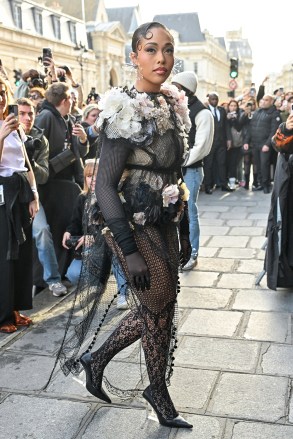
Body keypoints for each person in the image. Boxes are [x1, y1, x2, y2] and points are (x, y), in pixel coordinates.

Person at [56, 21, 193, 429]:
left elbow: (174, 176)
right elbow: (104, 189)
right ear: (133, 56)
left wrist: (182, 229)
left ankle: (98, 363)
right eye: (151, 49)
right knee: (159, 300)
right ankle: (156, 392)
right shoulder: (123, 110)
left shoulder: (171, 104)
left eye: (168, 50)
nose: (162, 59)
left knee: (162, 306)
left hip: (164, 218)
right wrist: (128, 251)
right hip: (128, 223)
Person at [62, 159, 129, 310]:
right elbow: (75, 221)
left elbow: (113, 226)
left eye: (97, 175)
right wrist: (69, 232)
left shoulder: (113, 196)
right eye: (89, 176)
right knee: (73, 274)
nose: (92, 180)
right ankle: (99, 281)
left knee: (118, 256)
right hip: (93, 250)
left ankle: (124, 293)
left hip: (112, 244)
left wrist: (95, 237)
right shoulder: (82, 198)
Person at [17, 97, 67, 297]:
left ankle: (53, 280)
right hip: (8, 195)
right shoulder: (7, 134)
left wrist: (29, 160)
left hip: (31, 195)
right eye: (22, 113)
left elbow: (44, 176)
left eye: (31, 113)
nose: (27, 118)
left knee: (42, 231)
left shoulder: (40, 138)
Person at [0, 78, 39, 333]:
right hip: (3, 196)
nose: (0, 98)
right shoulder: (5, 129)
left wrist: (35, 195)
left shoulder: (14, 125)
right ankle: (3, 315)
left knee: (23, 253)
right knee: (5, 256)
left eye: (2, 92)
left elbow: (26, 163)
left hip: (21, 192)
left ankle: (15, 309)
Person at [171, 71, 214, 270]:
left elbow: (203, 145)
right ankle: (177, 251)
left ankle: (192, 253)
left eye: (176, 87)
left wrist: (184, 160)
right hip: (173, 170)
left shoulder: (203, 112)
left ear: (185, 90)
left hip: (191, 170)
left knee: (189, 211)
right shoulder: (175, 109)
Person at [243, 94, 281, 193]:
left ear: (271, 102)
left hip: (265, 144)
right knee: (257, 165)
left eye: (266, 100)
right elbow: (251, 128)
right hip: (255, 144)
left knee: (265, 165)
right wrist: (246, 141)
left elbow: (274, 131)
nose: (263, 101)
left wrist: (267, 144)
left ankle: (266, 185)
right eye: (262, 99)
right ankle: (260, 183)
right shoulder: (257, 112)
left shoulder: (275, 114)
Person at [203, 92, 233, 193]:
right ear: (209, 100)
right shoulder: (205, 111)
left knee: (222, 163)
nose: (214, 101)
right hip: (210, 142)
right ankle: (208, 185)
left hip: (221, 141)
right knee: (209, 164)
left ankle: (224, 184)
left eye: (216, 99)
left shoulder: (222, 110)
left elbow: (226, 126)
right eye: (212, 99)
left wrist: (229, 139)